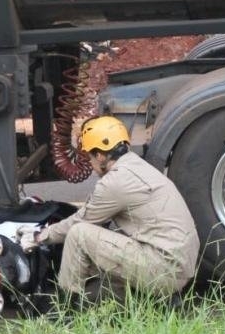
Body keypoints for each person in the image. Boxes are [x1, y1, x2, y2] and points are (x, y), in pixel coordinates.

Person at [19, 115, 200, 306]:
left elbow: (80, 222)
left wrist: (39, 237)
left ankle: (65, 309)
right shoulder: (137, 167)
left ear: (100, 155)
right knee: (102, 276)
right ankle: (162, 300)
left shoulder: (115, 182)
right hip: (178, 266)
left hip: (165, 270)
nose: (91, 163)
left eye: (90, 156)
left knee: (79, 234)